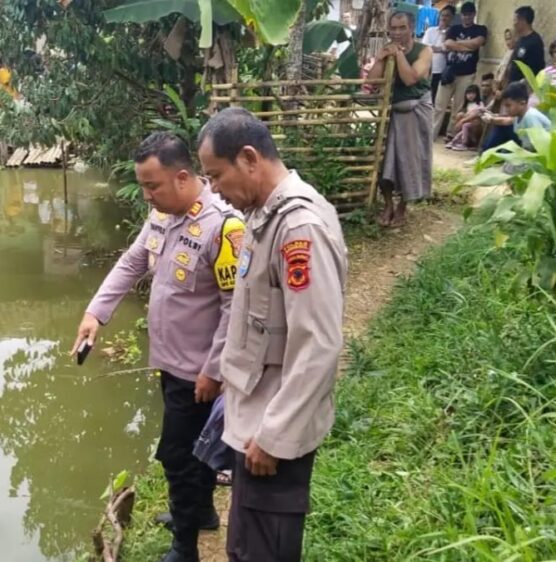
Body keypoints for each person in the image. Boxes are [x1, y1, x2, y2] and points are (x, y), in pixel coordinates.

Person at [71, 132, 245, 562]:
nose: (146, 195)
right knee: (194, 450)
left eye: (153, 185)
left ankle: (184, 549)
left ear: (183, 177)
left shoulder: (223, 227)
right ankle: (201, 513)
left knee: (177, 457)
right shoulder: (163, 216)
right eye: (144, 185)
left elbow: (234, 306)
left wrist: (214, 369)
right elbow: (132, 261)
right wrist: (97, 313)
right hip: (169, 363)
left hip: (199, 373)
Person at [195, 107, 347, 562]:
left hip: (273, 428)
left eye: (216, 176)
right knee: (245, 545)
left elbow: (318, 343)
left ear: (248, 158)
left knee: (265, 550)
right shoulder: (264, 216)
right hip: (253, 415)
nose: (214, 191)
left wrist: (276, 435)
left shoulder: (299, 227)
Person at [369, 11, 433, 228]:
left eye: (402, 28)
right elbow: (373, 82)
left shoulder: (424, 51)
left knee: (410, 161)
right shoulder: (388, 49)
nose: (397, 32)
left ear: (411, 28)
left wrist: (398, 55)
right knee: (386, 160)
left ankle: (402, 207)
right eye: (393, 28)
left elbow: (410, 78)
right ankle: (387, 204)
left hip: (416, 112)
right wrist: (381, 58)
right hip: (392, 112)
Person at [432, 1, 487, 140]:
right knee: (439, 105)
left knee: (458, 106)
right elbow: (448, 43)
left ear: (474, 14)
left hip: (467, 73)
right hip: (450, 72)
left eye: (469, 15)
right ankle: (431, 133)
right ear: (461, 15)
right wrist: (468, 46)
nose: (466, 17)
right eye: (464, 15)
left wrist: (457, 44)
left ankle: (451, 134)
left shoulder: (480, 29)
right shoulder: (454, 29)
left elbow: (477, 43)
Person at [482, 81, 551, 152]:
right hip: (527, 147)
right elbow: (505, 121)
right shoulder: (518, 116)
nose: (506, 109)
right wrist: (491, 118)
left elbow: (540, 143)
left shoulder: (530, 117)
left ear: (522, 103)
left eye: (508, 106)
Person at [422, 5, 455, 103]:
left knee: (437, 98)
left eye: (447, 16)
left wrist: (438, 48)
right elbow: (426, 47)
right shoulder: (430, 31)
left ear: (452, 18)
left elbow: (450, 49)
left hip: (442, 70)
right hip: (428, 69)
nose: (444, 18)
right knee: (425, 96)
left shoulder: (452, 33)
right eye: (442, 15)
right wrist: (442, 49)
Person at [507, 6, 545, 83]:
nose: (513, 24)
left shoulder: (535, 42)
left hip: (524, 89)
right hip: (513, 86)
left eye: (515, 20)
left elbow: (536, 69)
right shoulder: (520, 39)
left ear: (522, 21)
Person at [446, 84, 485, 150]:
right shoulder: (467, 105)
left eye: (473, 93)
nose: (470, 95)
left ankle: (463, 143)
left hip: (475, 127)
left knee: (465, 125)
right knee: (461, 118)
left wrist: (463, 120)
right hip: (468, 126)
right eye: (468, 93)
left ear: (477, 94)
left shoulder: (479, 104)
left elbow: (476, 114)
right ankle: (454, 141)